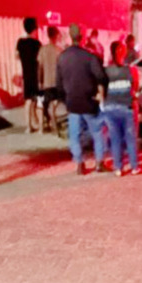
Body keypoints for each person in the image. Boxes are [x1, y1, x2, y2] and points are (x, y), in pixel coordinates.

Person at [57, 24, 108, 175]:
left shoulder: (62, 57)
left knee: (74, 135)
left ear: (70, 36)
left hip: (72, 103)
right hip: (89, 102)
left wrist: (66, 99)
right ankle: (99, 163)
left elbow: (58, 84)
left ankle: (79, 164)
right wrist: (100, 94)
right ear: (83, 37)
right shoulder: (90, 57)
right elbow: (101, 77)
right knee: (98, 132)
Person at [104, 41, 142, 177]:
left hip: (110, 107)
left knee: (115, 139)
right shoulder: (131, 70)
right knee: (130, 138)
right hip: (126, 107)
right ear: (123, 52)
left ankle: (118, 168)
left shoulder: (106, 71)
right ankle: (134, 167)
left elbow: (103, 88)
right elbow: (135, 88)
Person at [16, 18, 42, 133]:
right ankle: (38, 124)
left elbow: (16, 56)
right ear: (34, 29)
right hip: (36, 74)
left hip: (26, 74)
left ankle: (28, 126)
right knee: (37, 100)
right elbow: (40, 60)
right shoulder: (37, 44)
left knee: (28, 100)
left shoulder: (20, 42)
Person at [36, 26, 64, 134]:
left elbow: (39, 67)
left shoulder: (42, 50)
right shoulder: (59, 51)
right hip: (56, 82)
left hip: (46, 83)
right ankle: (54, 126)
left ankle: (47, 126)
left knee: (44, 105)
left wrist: (39, 81)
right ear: (56, 35)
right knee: (53, 106)